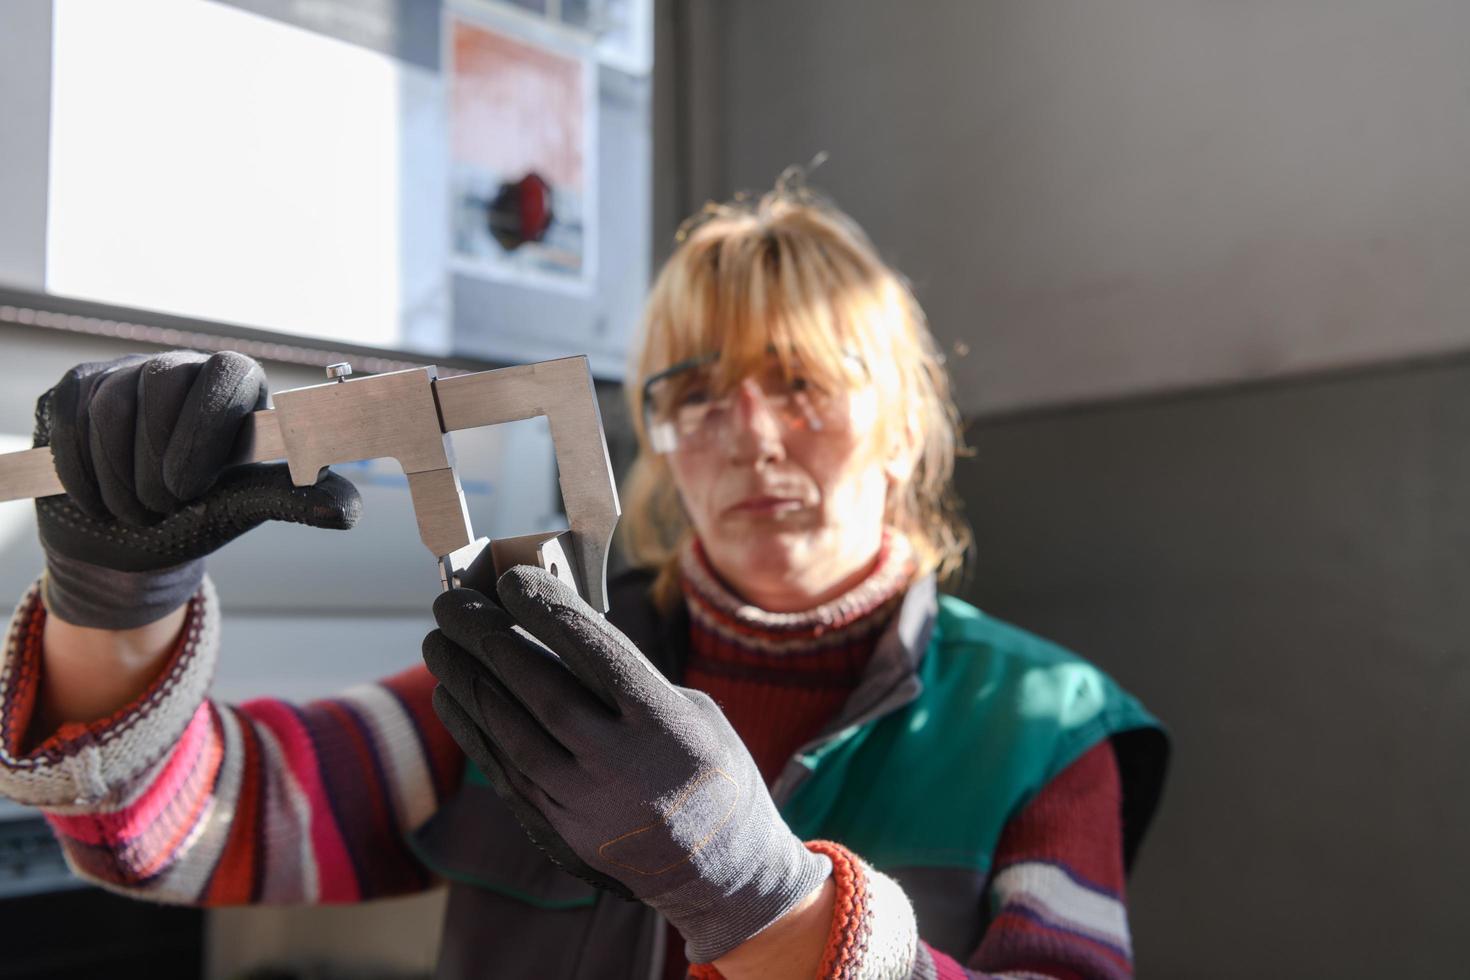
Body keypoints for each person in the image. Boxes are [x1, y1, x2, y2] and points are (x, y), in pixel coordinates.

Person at [0, 181, 1167, 979]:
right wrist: (112, 607)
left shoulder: (1043, 730)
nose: (749, 432)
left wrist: (770, 904)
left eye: (802, 380)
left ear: (907, 422)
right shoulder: (550, 667)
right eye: (697, 393)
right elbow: (193, 825)